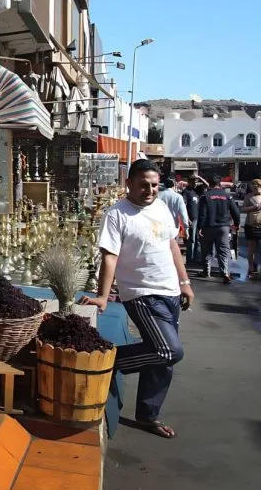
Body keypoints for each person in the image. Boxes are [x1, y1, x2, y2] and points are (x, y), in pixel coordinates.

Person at [80, 159, 192, 439]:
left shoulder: (162, 207)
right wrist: (103, 296)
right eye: (144, 185)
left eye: (154, 185)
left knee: (162, 358)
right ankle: (110, 361)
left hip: (170, 292)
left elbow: (172, 246)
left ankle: (148, 415)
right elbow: (110, 256)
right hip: (141, 294)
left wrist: (185, 282)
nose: (150, 190)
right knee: (170, 350)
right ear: (128, 183)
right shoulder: (117, 214)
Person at [197, 175, 240, 283]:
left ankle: (206, 271)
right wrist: (237, 223)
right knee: (223, 250)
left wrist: (200, 227)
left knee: (207, 250)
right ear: (220, 184)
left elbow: (202, 213)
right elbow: (235, 212)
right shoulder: (227, 196)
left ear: (209, 184)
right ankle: (225, 272)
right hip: (223, 227)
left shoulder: (204, 196)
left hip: (208, 226)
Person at [240, 178, 261, 277]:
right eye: (253, 187)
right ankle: (251, 267)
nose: (254, 188)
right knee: (252, 247)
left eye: (257, 186)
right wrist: (252, 208)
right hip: (251, 225)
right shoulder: (248, 197)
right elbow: (243, 209)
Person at [181, 178, 200, 263]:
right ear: (189, 182)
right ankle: (190, 260)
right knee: (191, 240)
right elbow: (183, 206)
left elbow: (208, 185)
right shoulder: (186, 192)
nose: (195, 184)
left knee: (197, 239)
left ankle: (195, 258)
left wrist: (199, 178)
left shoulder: (196, 191)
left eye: (196, 182)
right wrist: (187, 218)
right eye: (193, 182)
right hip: (191, 219)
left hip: (198, 218)